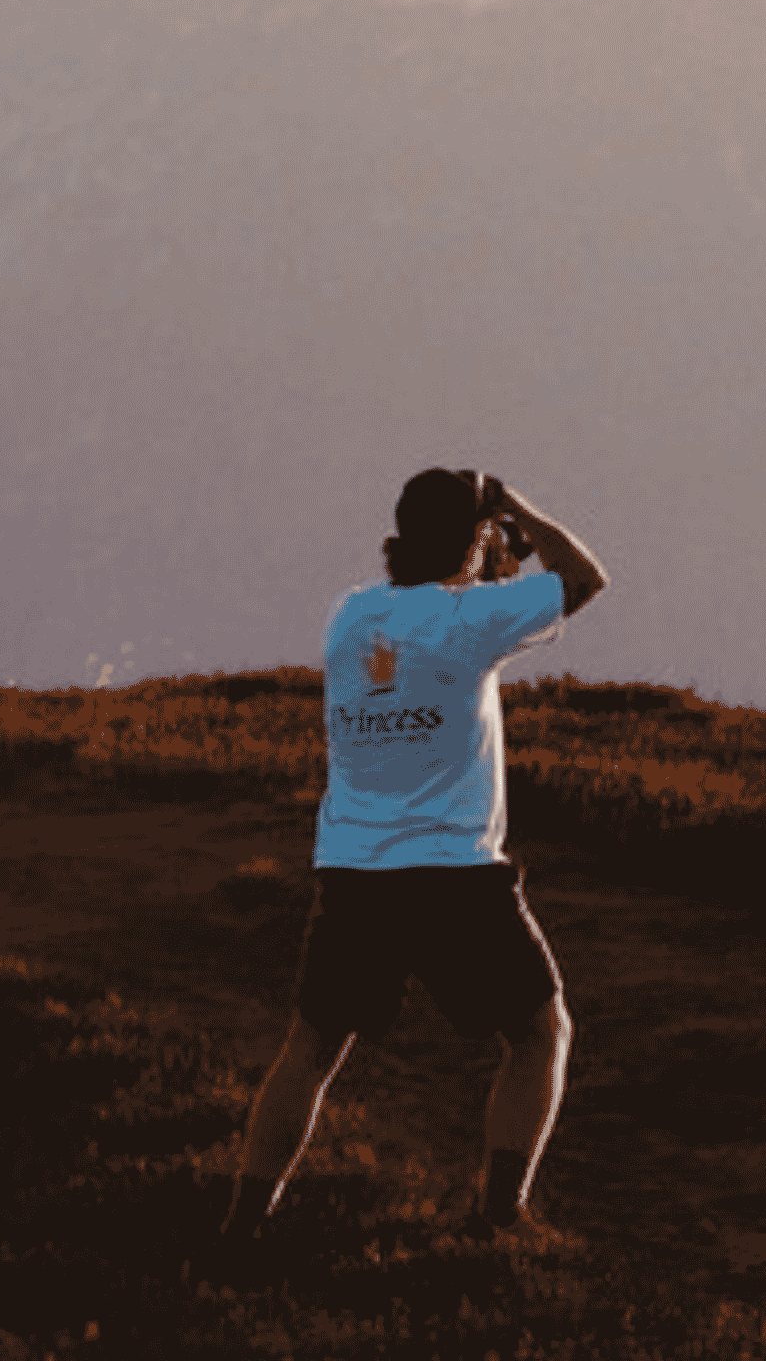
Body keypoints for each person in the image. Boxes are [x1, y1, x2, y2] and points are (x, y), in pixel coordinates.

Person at [222, 467, 609, 1241]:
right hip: (455, 875)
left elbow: (432, 607)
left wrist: (478, 557)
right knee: (540, 1030)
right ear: (471, 538)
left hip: (355, 871)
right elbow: (585, 578)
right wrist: (516, 512)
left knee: (313, 1048)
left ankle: (242, 1227)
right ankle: (501, 1216)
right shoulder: (472, 619)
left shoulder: (350, 616)